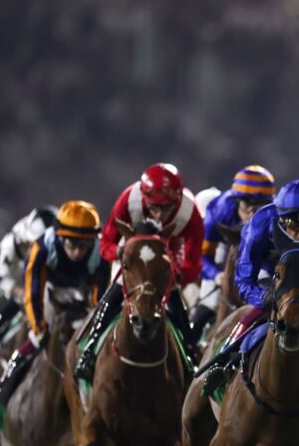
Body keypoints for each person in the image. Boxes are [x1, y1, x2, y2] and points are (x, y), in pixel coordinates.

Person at [197, 179, 299, 395]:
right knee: (263, 310)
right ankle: (223, 359)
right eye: (294, 226)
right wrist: (265, 298)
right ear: (281, 219)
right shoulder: (260, 223)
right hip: (269, 270)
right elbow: (245, 280)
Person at [74, 163, 204, 381]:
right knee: (109, 301)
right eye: (154, 208)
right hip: (132, 259)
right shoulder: (128, 200)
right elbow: (106, 243)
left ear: (178, 201)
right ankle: (90, 349)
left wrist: (177, 274)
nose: (159, 215)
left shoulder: (191, 213)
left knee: (179, 312)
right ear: (144, 199)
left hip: (163, 263)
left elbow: (193, 261)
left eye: (166, 209)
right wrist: (121, 251)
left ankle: (191, 358)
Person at [0, 201, 110, 408]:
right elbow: (33, 292)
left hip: (81, 293)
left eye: (84, 245)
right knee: (37, 339)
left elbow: (99, 297)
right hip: (48, 288)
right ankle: (1, 396)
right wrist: (39, 328)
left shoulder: (101, 252)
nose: (77, 253)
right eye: (72, 244)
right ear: (60, 237)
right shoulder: (41, 248)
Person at [0, 206, 59, 377]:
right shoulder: (12, 244)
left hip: (53, 285)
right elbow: (2, 276)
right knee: (7, 308)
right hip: (24, 286)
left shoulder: (60, 240)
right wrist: (20, 292)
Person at [189, 165, 276, 343]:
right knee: (210, 302)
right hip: (225, 248)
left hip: (260, 258)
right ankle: (190, 348)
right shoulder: (219, 211)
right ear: (236, 202)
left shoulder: (275, 217)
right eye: (247, 204)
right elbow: (201, 255)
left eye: (260, 206)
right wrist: (216, 275)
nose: (252, 212)